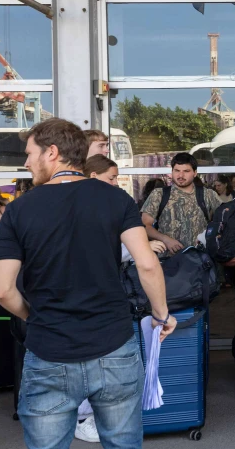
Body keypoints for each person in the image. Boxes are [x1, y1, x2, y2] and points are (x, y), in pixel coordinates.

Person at [0, 118, 176, 449]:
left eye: (29, 153)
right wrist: (162, 314)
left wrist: (36, 318)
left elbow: (2, 290)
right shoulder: (115, 199)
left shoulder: (18, 210)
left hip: (50, 350)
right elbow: (147, 264)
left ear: (52, 152)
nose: (26, 161)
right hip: (114, 346)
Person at [75, 154, 167, 444]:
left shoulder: (68, 205)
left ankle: (85, 415)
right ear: (92, 177)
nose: (116, 184)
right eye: (111, 178)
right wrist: (162, 313)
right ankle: (86, 417)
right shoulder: (108, 206)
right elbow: (134, 259)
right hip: (99, 298)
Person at [141, 153, 220, 254]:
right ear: (172, 171)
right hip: (168, 261)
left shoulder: (208, 194)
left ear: (195, 173)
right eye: (177, 171)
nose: (180, 175)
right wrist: (165, 239)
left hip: (200, 261)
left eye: (186, 171)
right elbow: (144, 226)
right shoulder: (159, 194)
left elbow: (226, 220)